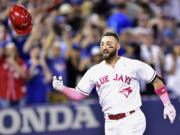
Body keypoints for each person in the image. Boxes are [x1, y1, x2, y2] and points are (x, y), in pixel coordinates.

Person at [52, 32, 176, 135]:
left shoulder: (132, 64)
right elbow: (78, 95)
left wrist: (167, 104)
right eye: (102, 44)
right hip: (110, 123)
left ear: (117, 46)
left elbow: (156, 80)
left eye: (109, 44)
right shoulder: (94, 71)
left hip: (132, 119)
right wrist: (63, 88)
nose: (105, 47)